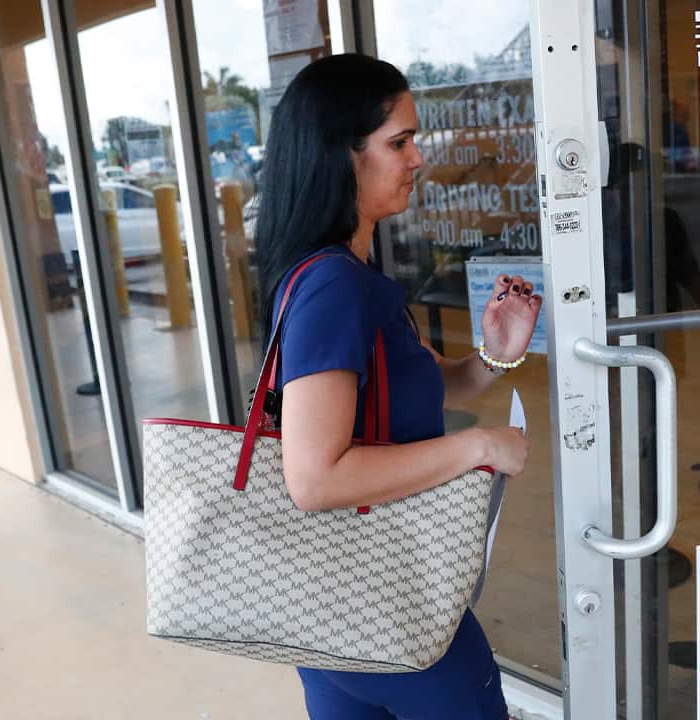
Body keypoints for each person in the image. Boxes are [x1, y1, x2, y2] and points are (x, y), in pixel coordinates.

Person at [254, 54, 542, 719]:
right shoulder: (332, 286)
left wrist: (491, 359)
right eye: (398, 142)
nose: (418, 159)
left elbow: (408, 396)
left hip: (331, 614)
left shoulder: (334, 272)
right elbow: (315, 478)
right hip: (396, 608)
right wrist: (479, 448)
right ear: (340, 155)